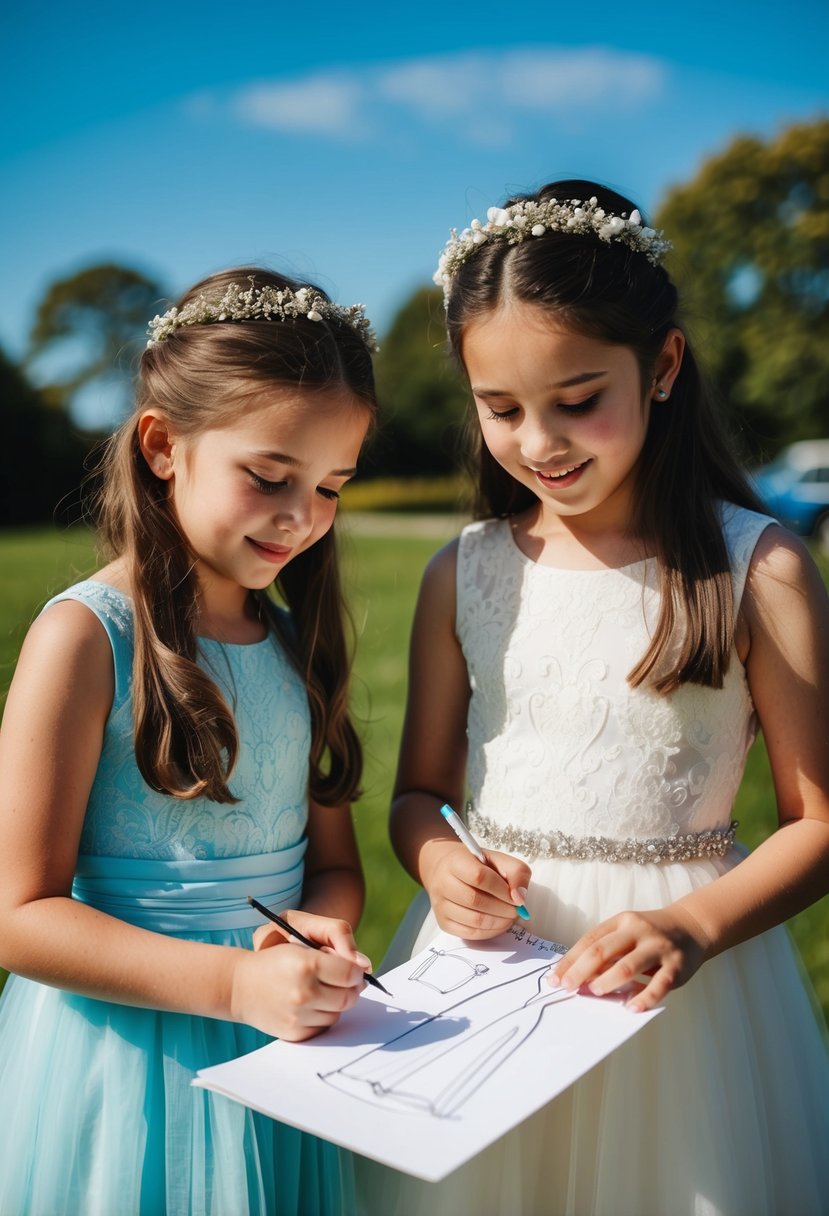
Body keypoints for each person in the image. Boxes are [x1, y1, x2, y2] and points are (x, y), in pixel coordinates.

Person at [373, 181, 829, 1215]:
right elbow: (416, 795)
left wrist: (695, 927)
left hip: (671, 991)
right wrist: (440, 858)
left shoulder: (756, 569)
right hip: (483, 978)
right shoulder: (467, 570)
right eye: (500, 409)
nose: (539, 441)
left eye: (577, 398)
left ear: (661, 365)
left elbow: (819, 823)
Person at [0, 268, 380, 1216]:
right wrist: (233, 985)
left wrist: (322, 925)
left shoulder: (295, 644)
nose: (303, 516)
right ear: (165, 446)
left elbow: (330, 866)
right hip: (128, 1058)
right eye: (269, 476)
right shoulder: (87, 639)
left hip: (284, 1050)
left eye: (332, 485)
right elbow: (19, 913)